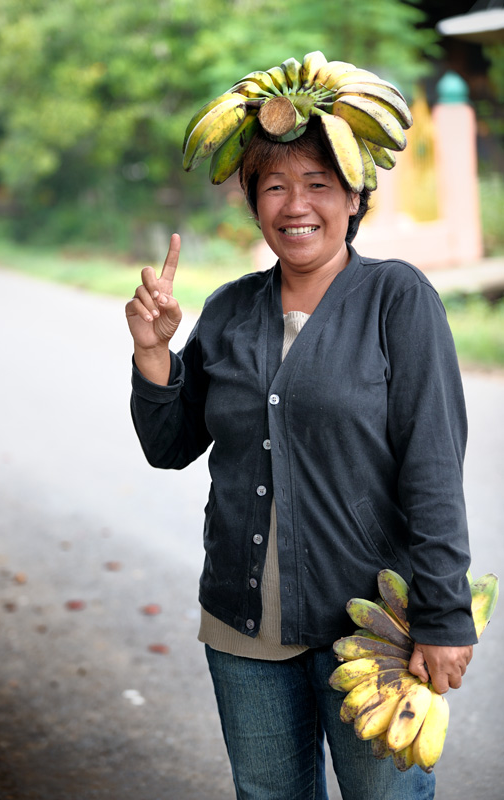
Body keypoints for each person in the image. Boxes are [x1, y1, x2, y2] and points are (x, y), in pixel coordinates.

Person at [125, 119, 477, 800]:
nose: (295, 205)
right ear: (254, 202)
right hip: (243, 629)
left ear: (353, 199)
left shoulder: (396, 299)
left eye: (317, 184)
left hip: (374, 631)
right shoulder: (229, 310)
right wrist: (151, 354)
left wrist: (441, 616)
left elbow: (432, 465)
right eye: (274, 186)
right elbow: (168, 447)